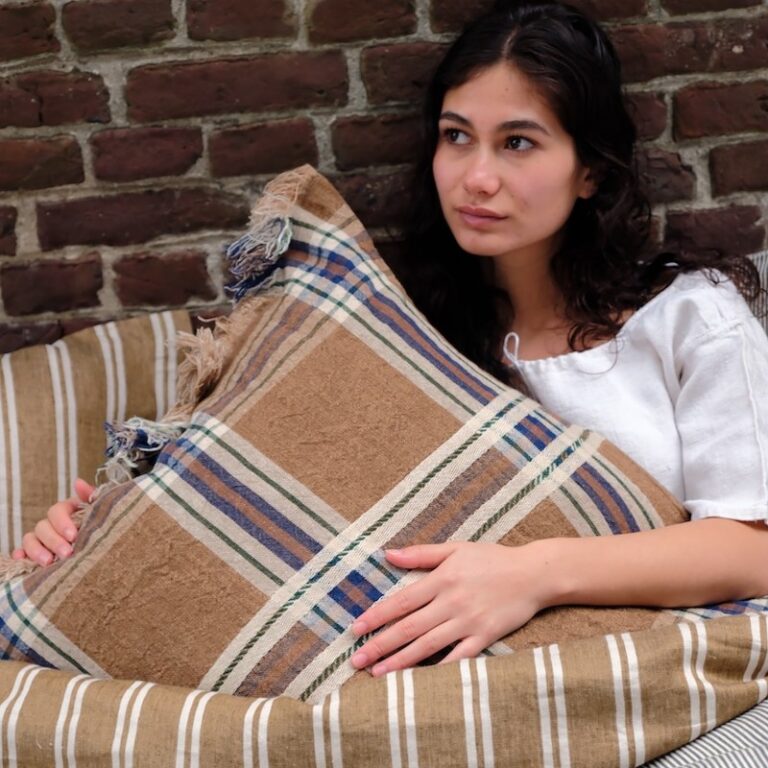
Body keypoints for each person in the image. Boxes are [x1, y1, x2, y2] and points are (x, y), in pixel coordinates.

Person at [14, 1, 768, 679]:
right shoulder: (398, 331)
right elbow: (271, 493)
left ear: (590, 172)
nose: (476, 177)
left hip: (661, 668)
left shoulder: (690, 319)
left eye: (518, 143)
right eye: (456, 137)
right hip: (430, 681)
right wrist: (98, 529)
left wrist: (533, 573)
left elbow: (753, 544)